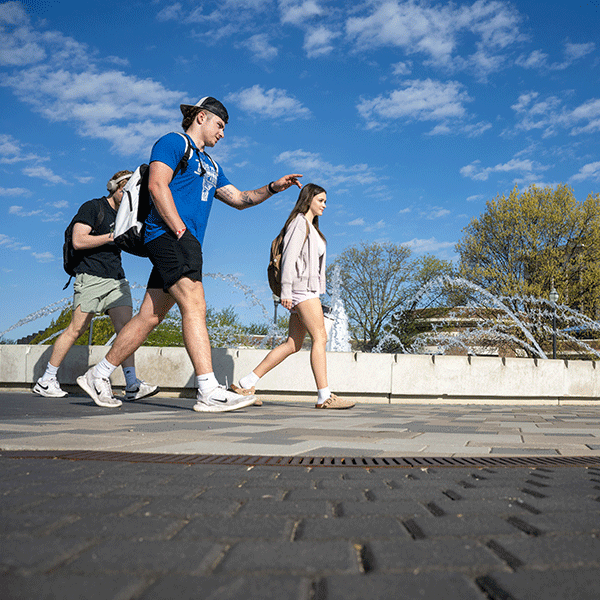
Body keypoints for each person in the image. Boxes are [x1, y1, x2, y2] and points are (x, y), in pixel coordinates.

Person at [77, 96, 303, 412]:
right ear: (200, 117)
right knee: (195, 302)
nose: (223, 133)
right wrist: (180, 230)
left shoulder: (211, 164)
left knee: (150, 315)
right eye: (220, 125)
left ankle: (98, 375)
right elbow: (157, 186)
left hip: (185, 240)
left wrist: (273, 187)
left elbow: (239, 198)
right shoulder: (173, 143)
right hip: (169, 235)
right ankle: (208, 389)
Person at [33, 171, 158, 407]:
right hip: (90, 276)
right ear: (116, 189)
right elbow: (78, 240)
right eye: (128, 190)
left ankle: (131, 384)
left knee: (127, 330)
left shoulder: (126, 213)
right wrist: (111, 236)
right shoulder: (93, 207)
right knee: (76, 328)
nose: (132, 195)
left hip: (116, 279)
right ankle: (47, 380)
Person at [230, 183, 355, 409]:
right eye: (321, 201)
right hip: (301, 290)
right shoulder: (299, 223)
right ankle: (324, 396)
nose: (325, 205)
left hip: (305, 290)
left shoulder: (311, 227)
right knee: (320, 338)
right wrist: (286, 291)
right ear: (308, 200)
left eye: (326, 201)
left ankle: (247, 382)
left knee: (293, 344)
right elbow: (288, 258)